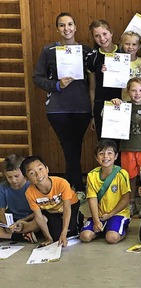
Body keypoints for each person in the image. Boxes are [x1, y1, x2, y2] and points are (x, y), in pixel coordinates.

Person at [33, 12, 91, 196]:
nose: (67, 28)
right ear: (57, 28)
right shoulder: (48, 50)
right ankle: (77, 188)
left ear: (75, 27)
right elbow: (37, 78)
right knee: (69, 146)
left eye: (70, 24)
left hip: (82, 107)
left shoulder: (86, 50)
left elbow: (95, 78)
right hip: (58, 108)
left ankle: (70, 187)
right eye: (62, 25)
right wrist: (56, 85)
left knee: (75, 146)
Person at [110, 78, 141, 216]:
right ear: (128, 91)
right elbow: (107, 116)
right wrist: (114, 103)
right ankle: (130, 203)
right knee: (130, 178)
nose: (137, 93)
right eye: (134, 90)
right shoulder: (124, 106)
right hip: (127, 148)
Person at [22, 156, 84, 247]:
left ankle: (79, 217)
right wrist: (48, 238)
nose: (38, 175)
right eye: (32, 173)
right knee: (55, 237)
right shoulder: (29, 193)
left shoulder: (61, 183)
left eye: (40, 169)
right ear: (26, 178)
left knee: (70, 233)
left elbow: (67, 208)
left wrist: (63, 234)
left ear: (47, 169)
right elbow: (38, 216)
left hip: (70, 205)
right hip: (51, 210)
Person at [79, 140, 131, 244]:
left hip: (117, 214)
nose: (105, 156)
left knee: (111, 238)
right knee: (85, 236)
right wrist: (96, 220)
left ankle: (119, 230)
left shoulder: (122, 174)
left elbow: (126, 198)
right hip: (99, 215)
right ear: (96, 158)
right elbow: (92, 199)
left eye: (109, 153)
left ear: (116, 156)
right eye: (101, 153)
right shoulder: (91, 175)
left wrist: (111, 214)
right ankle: (103, 228)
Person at [86, 19, 121, 138]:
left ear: (111, 33)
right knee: (105, 145)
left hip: (122, 103)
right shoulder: (93, 58)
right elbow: (92, 88)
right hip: (101, 106)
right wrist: (93, 115)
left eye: (104, 34)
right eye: (97, 36)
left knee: (122, 147)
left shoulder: (123, 52)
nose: (102, 38)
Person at [0, 155, 38, 242]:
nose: (13, 180)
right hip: (12, 220)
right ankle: (22, 236)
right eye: (9, 177)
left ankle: (12, 235)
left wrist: (23, 221)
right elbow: (1, 212)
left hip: (28, 219)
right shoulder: (3, 187)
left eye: (16, 176)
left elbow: (38, 211)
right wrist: (8, 225)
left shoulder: (31, 185)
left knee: (40, 220)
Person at [119, 31, 141, 104]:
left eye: (134, 44)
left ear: (139, 46)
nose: (130, 47)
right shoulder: (119, 63)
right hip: (127, 99)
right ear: (122, 45)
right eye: (127, 44)